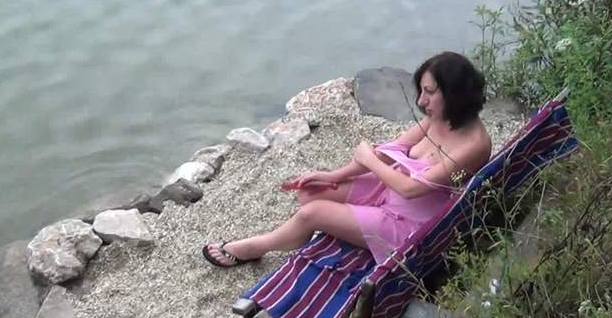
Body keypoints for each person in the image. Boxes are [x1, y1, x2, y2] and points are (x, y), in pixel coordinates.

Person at [202, 51, 492, 267]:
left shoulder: (473, 145)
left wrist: (368, 160)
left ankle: (256, 248)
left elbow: (412, 189)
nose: (420, 101)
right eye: (421, 91)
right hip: (387, 190)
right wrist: (335, 176)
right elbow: (390, 151)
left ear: (454, 93)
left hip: (410, 224)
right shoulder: (439, 116)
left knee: (312, 213)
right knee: (311, 191)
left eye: (429, 92)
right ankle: (307, 232)